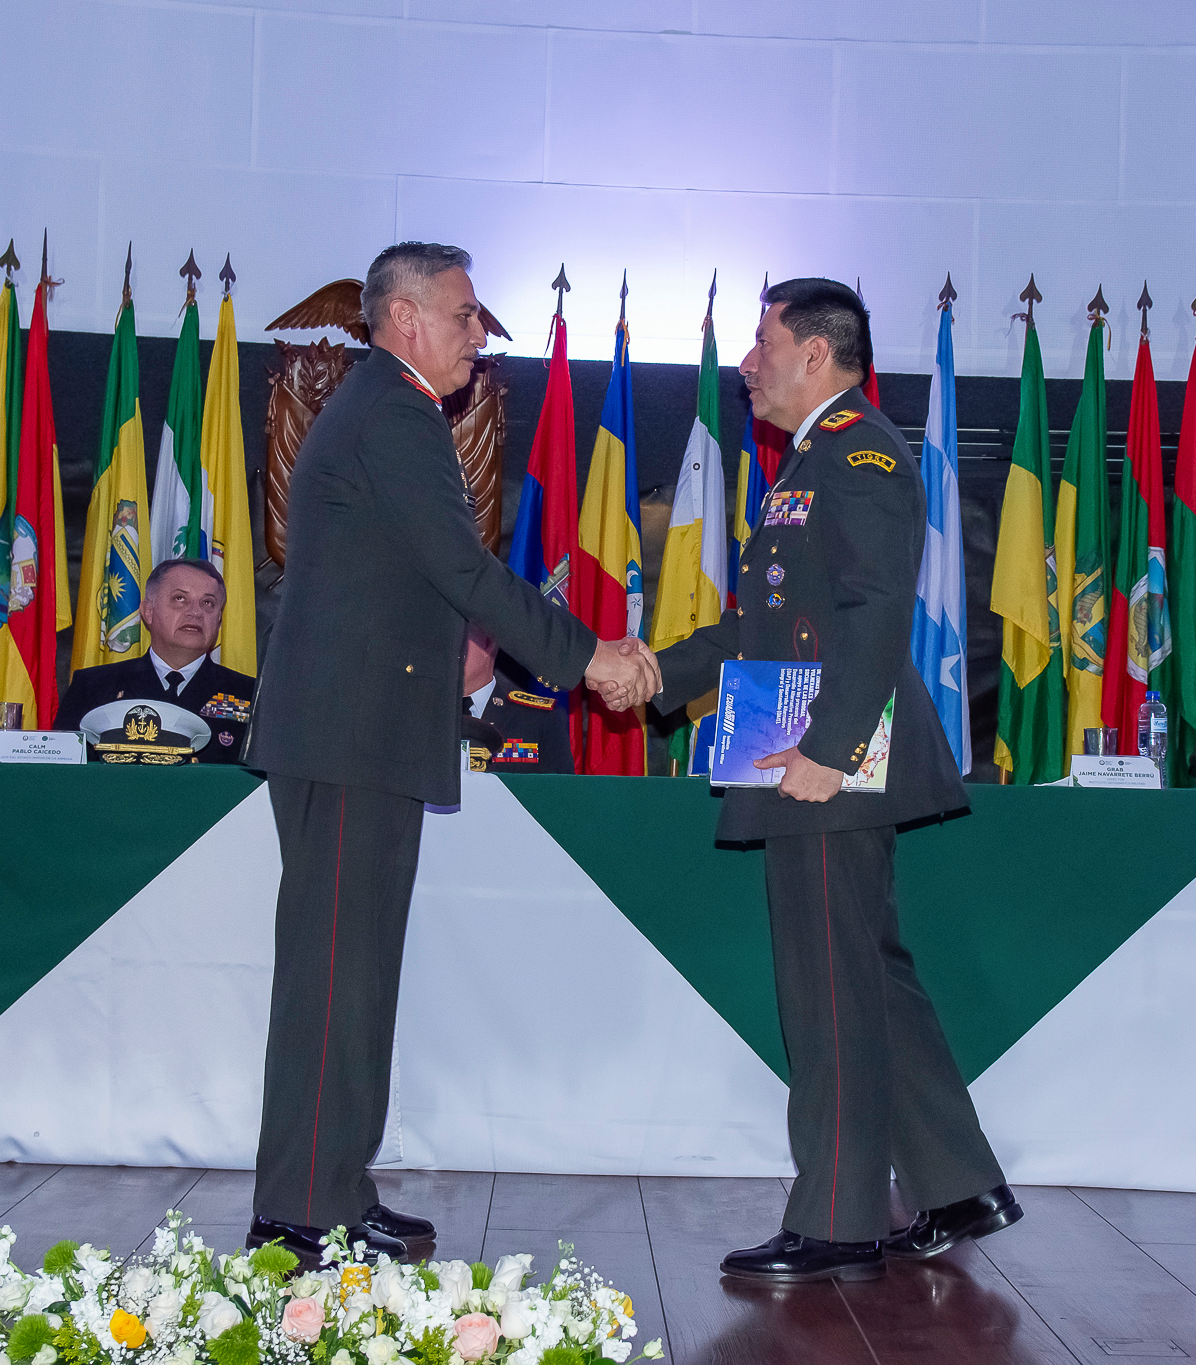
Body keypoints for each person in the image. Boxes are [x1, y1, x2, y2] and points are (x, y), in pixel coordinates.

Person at [242, 241, 658, 1265]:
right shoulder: (392, 410)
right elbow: (462, 571)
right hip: (350, 736)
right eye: (465, 314)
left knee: (356, 976)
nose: (479, 333)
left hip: (364, 732)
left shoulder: (392, 408)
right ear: (405, 318)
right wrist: (591, 657)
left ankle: (335, 1190)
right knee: (334, 977)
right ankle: (299, 1208)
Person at [652, 278, 1020, 1285]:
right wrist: (653, 672)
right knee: (867, 978)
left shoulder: (858, 453)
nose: (746, 364)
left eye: (762, 342)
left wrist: (830, 751)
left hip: (824, 758)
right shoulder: (812, 457)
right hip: (807, 743)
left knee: (827, 991)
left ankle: (838, 1219)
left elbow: (874, 610)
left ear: (816, 353)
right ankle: (959, 1184)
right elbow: (760, 625)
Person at [55, 558, 255, 762]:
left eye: (208, 603)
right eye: (180, 599)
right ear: (148, 611)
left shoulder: (249, 695)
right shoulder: (93, 687)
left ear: (219, 620)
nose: (196, 612)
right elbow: (63, 771)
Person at [462, 625, 574, 773]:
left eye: (458, 642)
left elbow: (558, 788)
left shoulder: (540, 720)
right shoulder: (431, 713)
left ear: (488, 644)